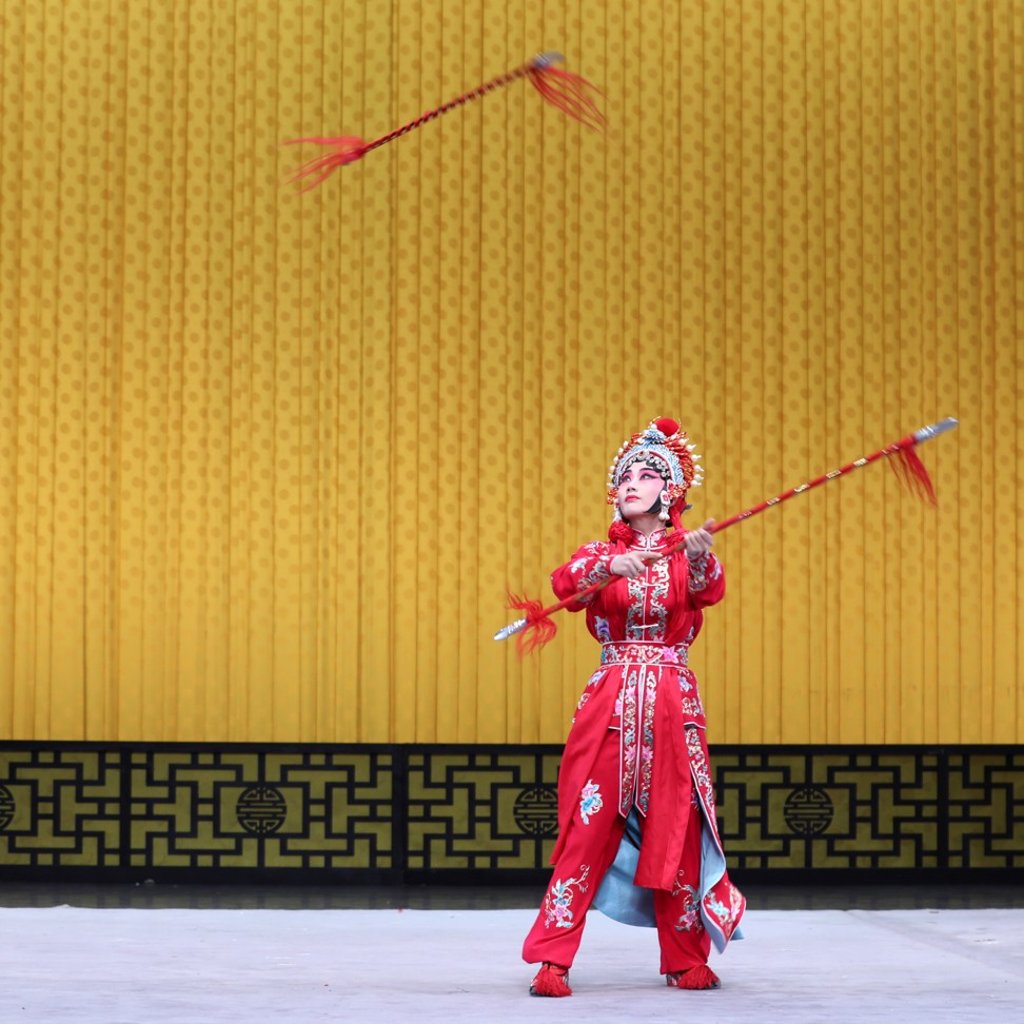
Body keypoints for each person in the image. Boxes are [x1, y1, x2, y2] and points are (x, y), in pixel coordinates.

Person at [522, 417, 745, 996]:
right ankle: (552, 959)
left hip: (672, 700)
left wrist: (697, 555)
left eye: (647, 475)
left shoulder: (683, 552)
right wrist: (608, 567)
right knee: (586, 828)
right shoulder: (600, 551)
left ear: (669, 492)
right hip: (613, 701)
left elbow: (711, 589)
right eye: (625, 476)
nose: (631, 483)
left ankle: (684, 957)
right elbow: (564, 584)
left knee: (676, 828)